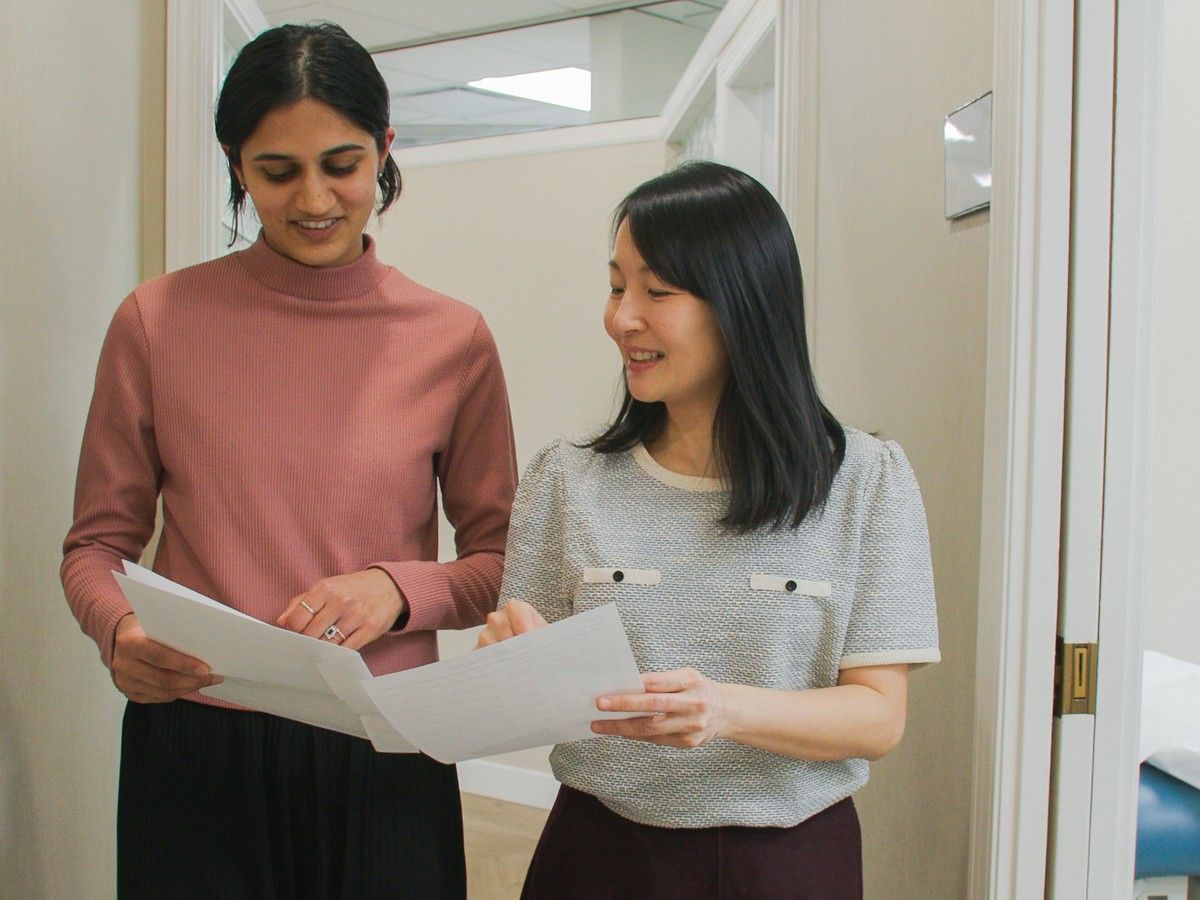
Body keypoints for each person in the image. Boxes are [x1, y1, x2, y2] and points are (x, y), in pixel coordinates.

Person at [61, 23, 517, 898]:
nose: (315, 198)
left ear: (385, 150)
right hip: (195, 739)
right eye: (277, 171)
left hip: (384, 735)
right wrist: (118, 631)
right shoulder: (155, 323)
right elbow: (94, 547)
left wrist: (397, 588)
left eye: (342, 164)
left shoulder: (452, 340)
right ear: (237, 164)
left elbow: (500, 562)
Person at [478, 161, 940, 899]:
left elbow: (879, 718)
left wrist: (722, 710)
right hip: (600, 852)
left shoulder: (866, 480)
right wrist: (512, 662)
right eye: (616, 285)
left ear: (745, 305)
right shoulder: (565, 480)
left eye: (657, 291)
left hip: (788, 861)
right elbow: (526, 694)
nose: (623, 317)